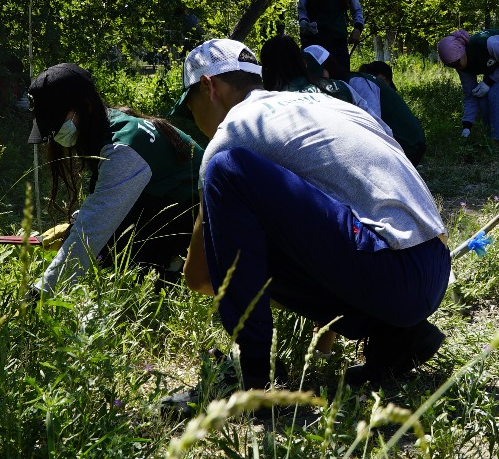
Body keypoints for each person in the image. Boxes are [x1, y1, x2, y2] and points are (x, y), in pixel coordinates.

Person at [173, 39, 448, 389]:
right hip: (432, 267)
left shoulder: (235, 132)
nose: (194, 119)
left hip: (387, 270)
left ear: (208, 87)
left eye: (191, 105)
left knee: (228, 170)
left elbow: (200, 277)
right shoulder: (325, 104)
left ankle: (253, 374)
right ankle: (398, 337)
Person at [25, 63, 202, 296]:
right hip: (177, 201)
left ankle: (171, 268)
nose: (56, 134)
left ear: (84, 106)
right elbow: (106, 194)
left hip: (206, 216)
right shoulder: (109, 122)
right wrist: (78, 222)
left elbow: (96, 226)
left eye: (58, 122)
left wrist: (42, 292)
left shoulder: (123, 150)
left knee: (107, 247)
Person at [319, 51, 427, 165]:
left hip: (406, 146)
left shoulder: (359, 82)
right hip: (405, 144)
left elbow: (373, 125)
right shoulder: (352, 82)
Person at [437, 28, 499, 143]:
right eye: (451, 66)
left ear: (462, 51)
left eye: (456, 63)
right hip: (497, 61)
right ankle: (488, 138)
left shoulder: (489, 44)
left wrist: (489, 81)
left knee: (495, 93)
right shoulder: (460, 65)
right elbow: (470, 94)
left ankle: (497, 142)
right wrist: (467, 125)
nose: (456, 67)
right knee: (481, 96)